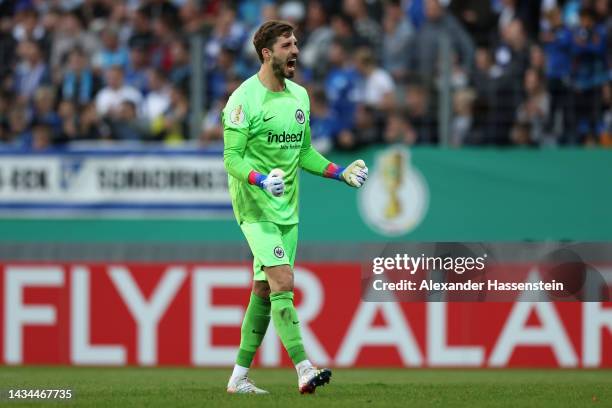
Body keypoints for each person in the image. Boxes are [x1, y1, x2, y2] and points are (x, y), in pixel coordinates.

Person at [222, 20, 368, 395]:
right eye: (287, 45)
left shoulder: (299, 96)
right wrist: (258, 179)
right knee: (283, 282)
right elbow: (231, 160)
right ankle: (304, 368)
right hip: (255, 208)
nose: (296, 51)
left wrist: (340, 172)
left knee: (263, 290)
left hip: (288, 210)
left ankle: (238, 378)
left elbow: (303, 152)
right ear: (267, 53)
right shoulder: (243, 100)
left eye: (296, 43)